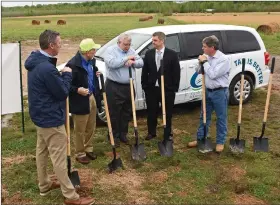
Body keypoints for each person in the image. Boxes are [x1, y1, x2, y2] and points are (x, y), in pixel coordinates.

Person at [25, 29, 94, 205]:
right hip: (50, 118)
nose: (61, 46)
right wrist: (66, 75)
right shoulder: (47, 68)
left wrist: (59, 75)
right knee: (59, 157)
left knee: (41, 151)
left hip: (39, 115)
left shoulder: (35, 61)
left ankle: (44, 184)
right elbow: (62, 92)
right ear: (51, 46)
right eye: (59, 44)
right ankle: (71, 196)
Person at [187, 35, 230, 153]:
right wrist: (200, 62)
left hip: (220, 92)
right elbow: (198, 71)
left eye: (204, 46)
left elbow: (213, 74)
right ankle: (201, 138)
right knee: (204, 116)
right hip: (207, 91)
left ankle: (220, 142)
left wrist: (205, 62)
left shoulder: (223, 59)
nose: (202, 49)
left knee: (221, 118)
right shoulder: (206, 57)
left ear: (212, 47)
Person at [104, 33, 144, 146]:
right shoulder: (110, 51)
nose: (127, 47)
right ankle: (114, 135)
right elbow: (112, 63)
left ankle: (123, 134)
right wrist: (125, 59)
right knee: (115, 112)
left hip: (129, 86)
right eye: (125, 44)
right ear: (119, 43)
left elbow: (141, 62)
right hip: (114, 86)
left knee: (127, 112)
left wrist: (133, 62)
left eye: (129, 44)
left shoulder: (131, 50)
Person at [66, 38, 101, 165]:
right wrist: (77, 90)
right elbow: (66, 85)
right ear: (87, 52)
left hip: (91, 97)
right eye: (93, 49)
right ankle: (80, 153)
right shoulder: (72, 65)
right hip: (79, 100)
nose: (95, 51)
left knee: (91, 125)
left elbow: (90, 78)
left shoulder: (92, 62)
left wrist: (95, 75)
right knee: (80, 129)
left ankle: (88, 148)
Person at [141, 31, 180, 142]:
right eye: (152, 40)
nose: (153, 42)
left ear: (162, 41)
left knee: (167, 112)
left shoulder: (172, 55)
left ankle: (167, 133)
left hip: (167, 90)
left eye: (155, 40)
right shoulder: (149, 54)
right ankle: (151, 132)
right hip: (152, 89)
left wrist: (173, 88)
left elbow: (176, 73)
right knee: (151, 112)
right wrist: (145, 85)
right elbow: (145, 71)